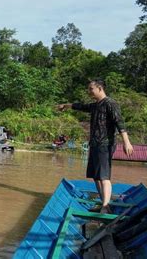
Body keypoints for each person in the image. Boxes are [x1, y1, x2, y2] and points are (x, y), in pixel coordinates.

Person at [57, 79, 133, 213]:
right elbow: (80, 106)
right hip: (94, 144)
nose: (89, 91)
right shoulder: (95, 105)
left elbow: (119, 122)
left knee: (104, 176)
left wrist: (126, 142)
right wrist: (66, 105)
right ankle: (104, 202)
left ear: (100, 88)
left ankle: (105, 205)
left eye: (91, 89)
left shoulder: (110, 103)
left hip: (105, 144)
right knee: (95, 176)